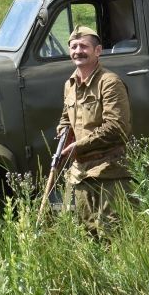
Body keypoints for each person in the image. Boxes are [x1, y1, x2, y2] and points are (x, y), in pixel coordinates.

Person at [56, 26, 132, 236]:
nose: (78, 51)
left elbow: (116, 127)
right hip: (81, 175)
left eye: (84, 46)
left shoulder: (109, 82)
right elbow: (66, 118)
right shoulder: (69, 85)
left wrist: (77, 146)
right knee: (88, 237)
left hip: (109, 173)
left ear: (97, 51)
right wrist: (62, 131)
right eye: (73, 46)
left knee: (114, 237)